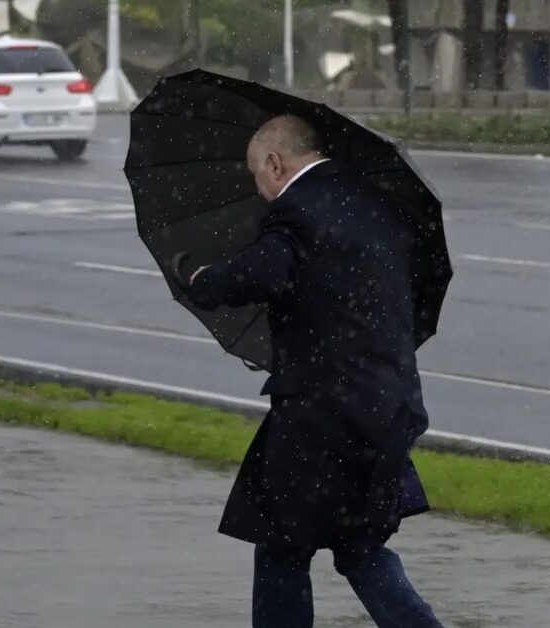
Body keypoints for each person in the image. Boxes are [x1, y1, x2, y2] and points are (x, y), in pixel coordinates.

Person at [177, 114, 445, 628]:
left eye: (258, 174)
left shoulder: (297, 211)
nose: (260, 190)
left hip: (323, 416)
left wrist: (202, 277)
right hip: (389, 404)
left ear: (275, 164)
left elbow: (260, 274)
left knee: (282, 546)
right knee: (359, 548)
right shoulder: (375, 205)